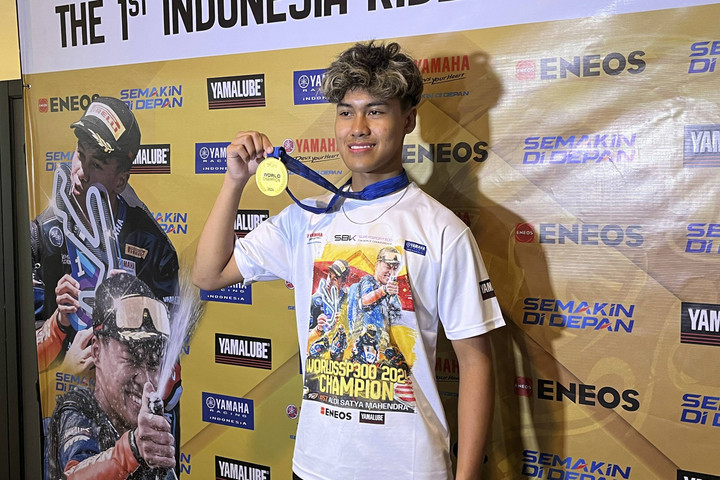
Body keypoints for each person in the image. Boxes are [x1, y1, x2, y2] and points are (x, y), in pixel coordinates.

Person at [193, 41, 505, 480]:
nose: (358, 128)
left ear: (408, 119)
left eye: (375, 111)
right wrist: (234, 182)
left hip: (410, 469)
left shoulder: (442, 231)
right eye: (346, 112)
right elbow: (208, 275)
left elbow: (476, 364)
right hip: (316, 467)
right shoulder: (305, 219)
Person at [32, 96, 179, 372]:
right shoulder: (43, 233)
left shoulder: (153, 246)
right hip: (60, 393)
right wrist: (60, 329)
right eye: (80, 154)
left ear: (121, 181)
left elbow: (169, 355)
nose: (81, 172)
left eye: (97, 165)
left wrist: (138, 312)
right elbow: (21, 352)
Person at [46, 273, 175, 479]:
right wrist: (133, 449)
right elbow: (73, 475)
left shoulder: (152, 418)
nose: (146, 380)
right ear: (96, 351)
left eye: (153, 363)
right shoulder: (78, 409)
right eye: (131, 359)